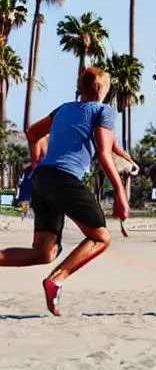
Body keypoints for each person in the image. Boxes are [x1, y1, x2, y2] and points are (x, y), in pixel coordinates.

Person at [0, 67, 129, 316]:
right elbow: (103, 153)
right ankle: (57, 279)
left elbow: (32, 132)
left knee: (45, 251)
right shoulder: (105, 111)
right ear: (101, 88)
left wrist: (37, 158)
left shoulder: (63, 110)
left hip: (42, 179)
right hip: (65, 180)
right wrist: (121, 194)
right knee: (101, 237)